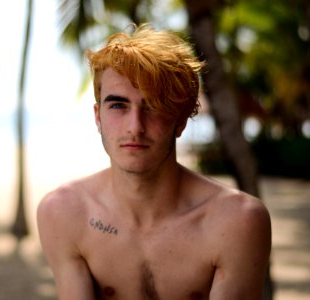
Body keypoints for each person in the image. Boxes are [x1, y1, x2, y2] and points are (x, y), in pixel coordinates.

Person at [37, 24, 271, 299]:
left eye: (153, 107)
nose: (135, 126)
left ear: (181, 120)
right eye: (118, 106)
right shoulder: (65, 213)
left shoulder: (236, 223)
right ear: (98, 117)